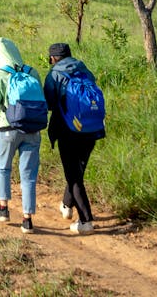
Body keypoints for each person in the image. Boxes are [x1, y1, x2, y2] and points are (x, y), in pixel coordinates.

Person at [43, 42, 106, 235]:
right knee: (77, 171)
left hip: (68, 130)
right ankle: (67, 205)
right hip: (92, 128)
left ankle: (86, 221)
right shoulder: (85, 70)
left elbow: (50, 103)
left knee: (73, 176)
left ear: (53, 58)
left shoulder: (54, 74)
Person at [0, 37, 44, 234]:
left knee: (4, 168)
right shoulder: (31, 72)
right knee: (29, 175)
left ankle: (3, 209)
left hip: (7, 128)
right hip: (32, 129)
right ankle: (27, 220)